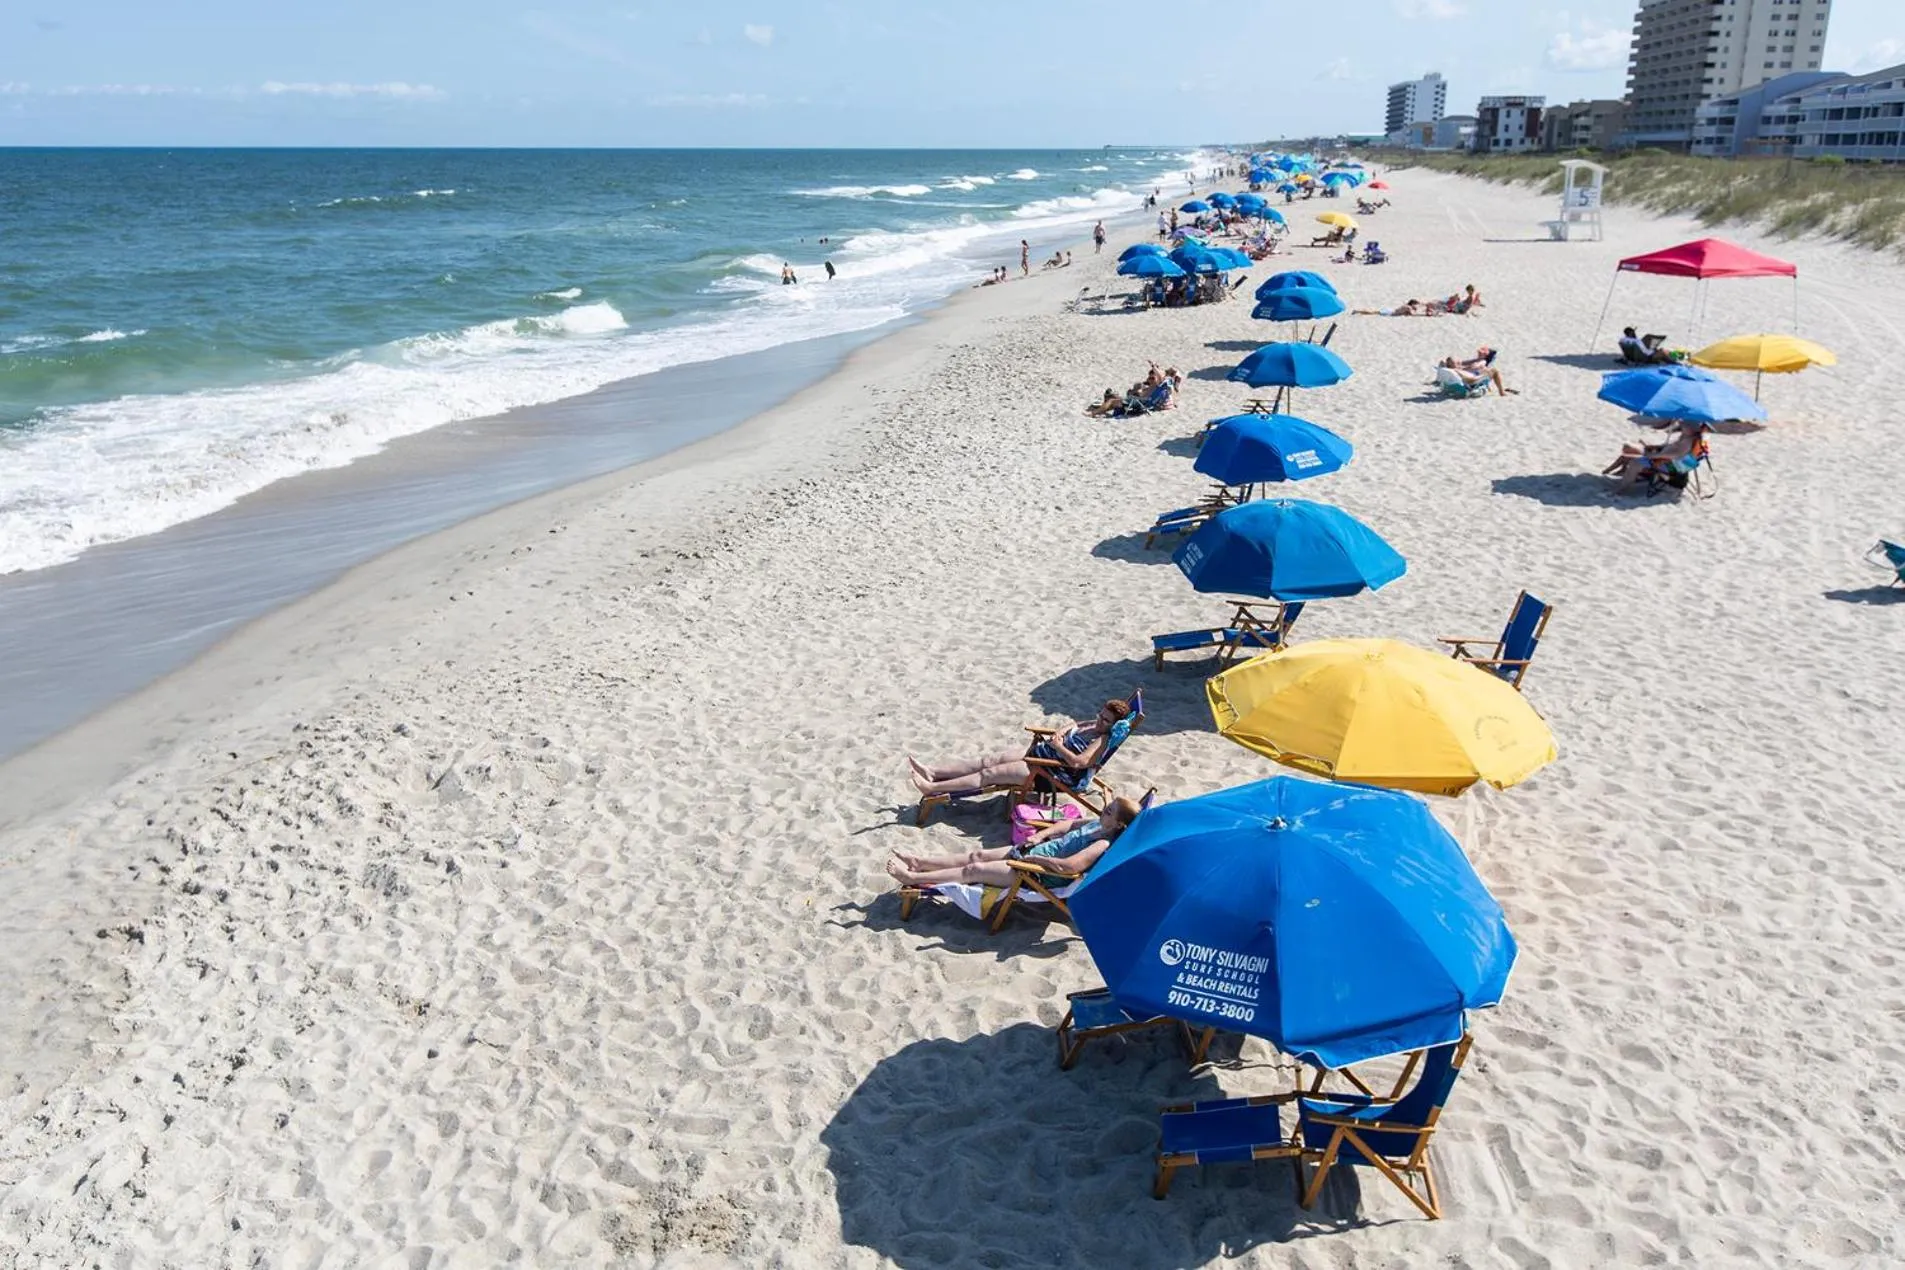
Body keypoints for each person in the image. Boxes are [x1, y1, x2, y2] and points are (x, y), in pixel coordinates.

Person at [886, 796, 1144, 890]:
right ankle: (919, 862)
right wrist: (1039, 836)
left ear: (1119, 824)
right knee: (977, 855)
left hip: (1036, 874)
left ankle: (912, 878)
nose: (1103, 811)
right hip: (1033, 851)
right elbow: (1067, 824)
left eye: (1109, 811)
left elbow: (1068, 867)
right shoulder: (1096, 824)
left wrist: (1036, 859)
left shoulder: (1102, 844)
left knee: (973, 871)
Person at [906, 698, 1135, 799]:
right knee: (988, 761)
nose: (1099, 721)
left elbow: (1079, 763)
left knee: (989, 774)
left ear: (1114, 726)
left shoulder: (1101, 740)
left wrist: (1058, 746)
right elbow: (1075, 723)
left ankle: (932, 788)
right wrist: (1060, 732)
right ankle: (934, 772)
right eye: (1100, 715)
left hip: (1052, 772)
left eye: (1105, 720)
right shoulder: (1094, 723)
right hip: (1042, 755)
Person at [1603, 421, 1706, 490]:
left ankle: (1620, 489)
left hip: (1670, 466)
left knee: (1635, 462)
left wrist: (1654, 455)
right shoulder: (1686, 437)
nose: (1682, 426)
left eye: (1685, 425)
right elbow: (1670, 448)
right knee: (1629, 449)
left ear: (1693, 429)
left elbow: (1675, 455)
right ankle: (1613, 472)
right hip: (1663, 457)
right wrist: (1654, 447)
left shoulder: (1688, 442)